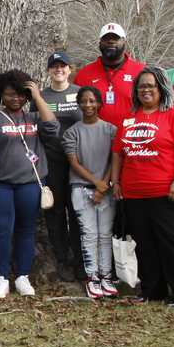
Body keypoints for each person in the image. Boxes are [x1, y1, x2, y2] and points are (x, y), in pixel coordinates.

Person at [103, 70, 174, 306]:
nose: (146, 90)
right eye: (141, 86)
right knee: (143, 242)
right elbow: (118, 152)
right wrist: (116, 182)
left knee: (170, 241)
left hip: (167, 191)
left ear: (162, 88)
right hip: (134, 192)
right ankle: (152, 290)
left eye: (151, 86)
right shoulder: (129, 117)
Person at [0, 69, 57, 299]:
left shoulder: (35, 117)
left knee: (26, 231)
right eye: (10, 94)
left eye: (20, 94)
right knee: (1, 231)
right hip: (1, 185)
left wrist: (38, 97)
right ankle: (1, 277)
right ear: (1, 95)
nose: (15, 98)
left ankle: (22, 276)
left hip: (30, 184)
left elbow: (53, 128)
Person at [62, 86, 118, 298]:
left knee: (105, 234)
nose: (88, 105)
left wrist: (104, 185)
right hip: (81, 190)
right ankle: (92, 277)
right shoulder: (72, 132)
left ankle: (106, 276)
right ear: (79, 104)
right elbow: (74, 163)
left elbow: (115, 159)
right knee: (88, 235)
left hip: (106, 191)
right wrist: (96, 183)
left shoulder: (111, 130)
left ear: (99, 103)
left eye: (92, 101)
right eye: (84, 101)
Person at [37, 53, 85, 282]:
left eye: (62, 66)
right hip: (51, 161)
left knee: (77, 212)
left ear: (70, 69)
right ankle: (62, 260)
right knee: (55, 213)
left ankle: (80, 259)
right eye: (53, 66)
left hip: (78, 163)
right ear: (48, 71)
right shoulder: (41, 96)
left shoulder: (80, 93)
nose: (58, 70)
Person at [73, 24, 147, 128]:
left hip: (132, 136)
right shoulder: (84, 75)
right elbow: (75, 110)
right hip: (95, 137)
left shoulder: (142, 72)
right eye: (106, 38)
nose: (111, 41)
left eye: (116, 38)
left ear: (124, 42)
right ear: (99, 43)